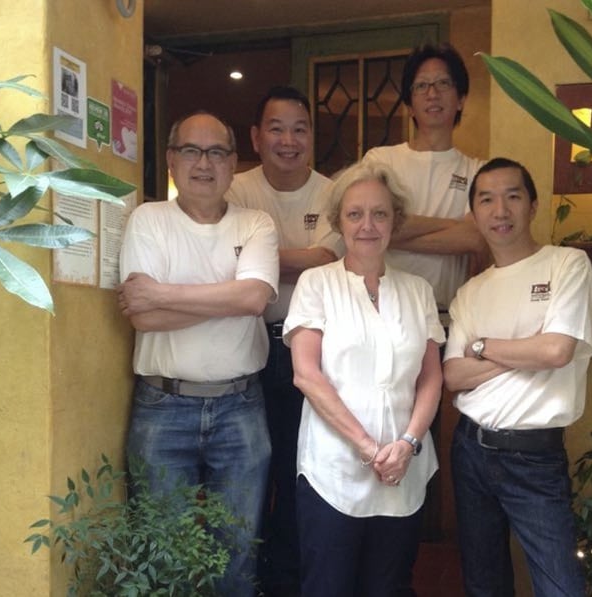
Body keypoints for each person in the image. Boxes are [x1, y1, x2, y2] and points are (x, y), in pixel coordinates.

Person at [117, 111, 280, 597]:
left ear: (234, 163)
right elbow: (141, 317)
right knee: (162, 551)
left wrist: (164, 294)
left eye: (216, 152)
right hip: (162, 408)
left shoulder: (257, 223)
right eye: (191, 150)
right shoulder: (148, 219)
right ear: (171, 159)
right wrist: (228, 296)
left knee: (237, 548)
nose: (203, 163)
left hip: (241, 406)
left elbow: (253, 301)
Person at [284, 161, 444, 597]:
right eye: (355, 214)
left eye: (380, 213)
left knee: (389, 587)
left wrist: (407, 444)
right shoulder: (317, 284)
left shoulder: (418, 291)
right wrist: (370, 448)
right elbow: (307, 374)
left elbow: (431, 378)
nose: (367, 225)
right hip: (332, 470)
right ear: (338, 222)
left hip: (404, 468)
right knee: (327, 587)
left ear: (396, 221)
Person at [443, 158, 592, 596]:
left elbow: (556, 349)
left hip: (534, 457)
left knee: (559, 586)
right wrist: (525, 351)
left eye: (513, 196)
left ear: (532, 206)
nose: (500, 210)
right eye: (486, 200)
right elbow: (453, 375)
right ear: (474, 213)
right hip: (471, 449)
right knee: (484, 583)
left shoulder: (566, 264)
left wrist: (482, 346)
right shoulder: (470, 292)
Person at [225, 85, 341, 596]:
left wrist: (257, 259)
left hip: (312, 348)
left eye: (300, 128)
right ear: (256, 136)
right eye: (276, 128)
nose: (288, 140)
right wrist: (297, 258)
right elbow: (222, 260)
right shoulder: (234, 187)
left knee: (301, 471)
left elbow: (330, 261)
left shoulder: (333, 193)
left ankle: (289, 580)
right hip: (245, 343)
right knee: (251, 471)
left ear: (311, 137)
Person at [362, 42, 487, 310]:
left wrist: (395, 232)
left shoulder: (477, 171)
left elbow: (474, 238)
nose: (432, 93)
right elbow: (369, 225)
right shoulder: (380, 160)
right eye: (421, 85)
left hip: (447, 316)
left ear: (461, 99)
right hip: (383, 310)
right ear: (409, 104)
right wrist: (455, 226)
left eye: (443, 83)